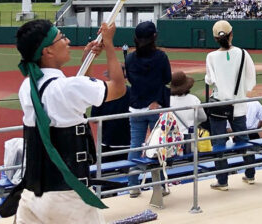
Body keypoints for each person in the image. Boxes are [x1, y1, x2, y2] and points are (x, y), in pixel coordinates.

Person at [13, 20, 126, 223]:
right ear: (48, 51)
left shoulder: (27, 86)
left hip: (32, 195)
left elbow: (73, 97)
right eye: (62, 37)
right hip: (68, 199)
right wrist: (109, 44)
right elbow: (118, 87)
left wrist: (87, 60)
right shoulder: (68, 87)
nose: (68, 41)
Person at [204, 20, 257, 191]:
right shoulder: (243, 53)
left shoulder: (211, 56)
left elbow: (209, 80)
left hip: (219, 105)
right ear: (231, 34)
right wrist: (242, 91)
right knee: (243, 140)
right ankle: (250, 175)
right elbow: (251, 78)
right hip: (238, 104)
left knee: (219, 143)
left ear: (215, 38)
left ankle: (222, 180)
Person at [125, 21, 171, 198]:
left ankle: (133, 186)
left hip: (136, 107)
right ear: (154, 37)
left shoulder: (130, 58)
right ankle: (159, 186)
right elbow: (167, 78)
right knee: (158, 147)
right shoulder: (160, 56)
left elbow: (130, 79)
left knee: (135, 145)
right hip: (156, 106)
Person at [88, 69, 131, 159]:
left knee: (105, 171)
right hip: (126, 144)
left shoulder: (101, 94)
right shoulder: (132, 93)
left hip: (106, 143)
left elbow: (94, 118)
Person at [168, 71, 205, 147]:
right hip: (190, 137)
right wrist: (192, 122)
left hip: (171, 139)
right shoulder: (194, 99)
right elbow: (203, 118)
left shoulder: (166, 100)